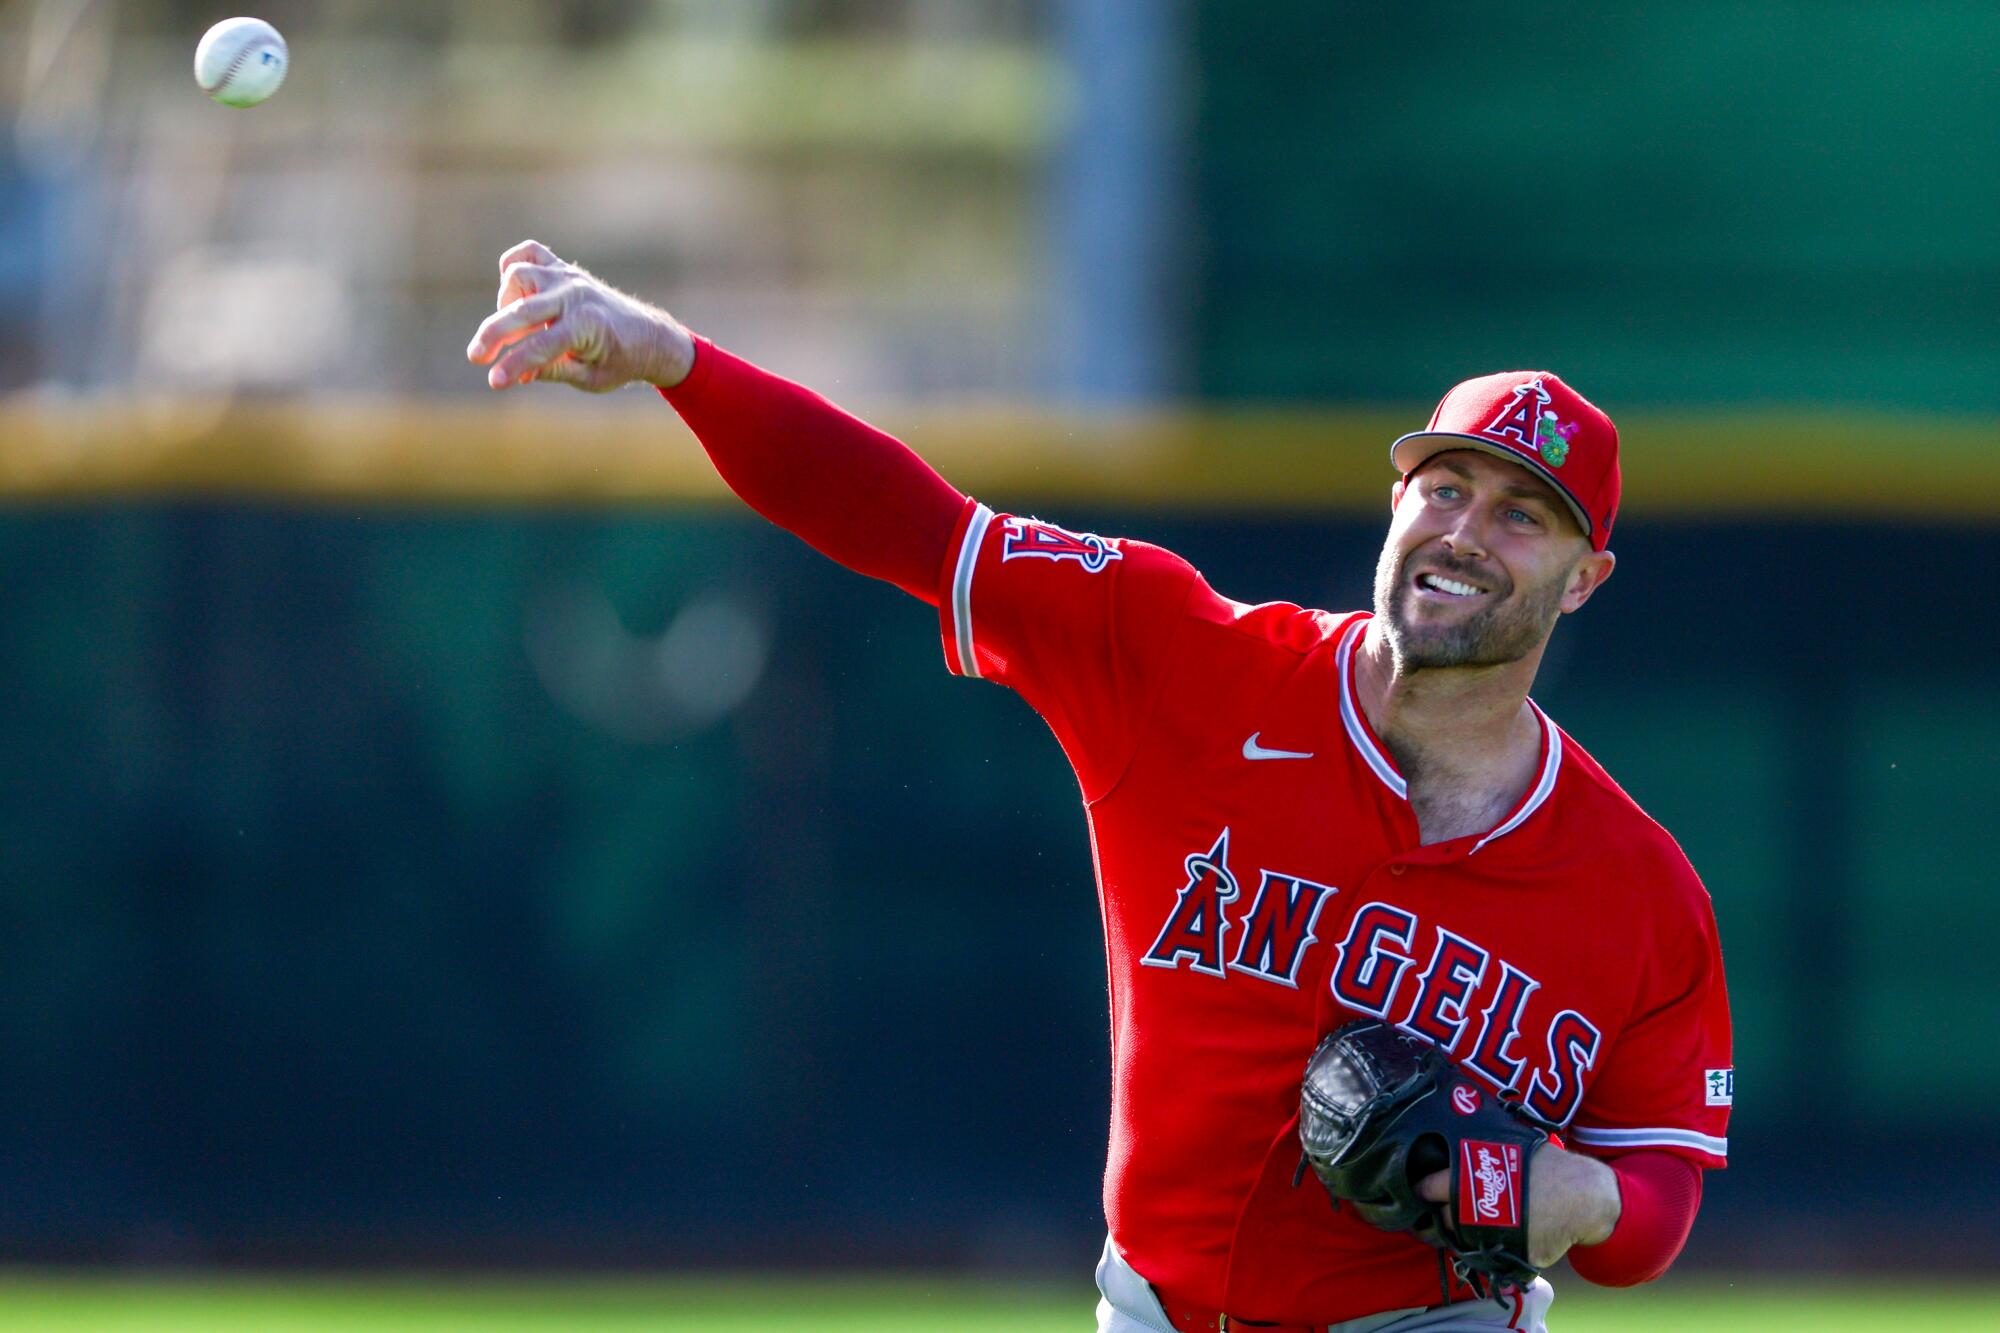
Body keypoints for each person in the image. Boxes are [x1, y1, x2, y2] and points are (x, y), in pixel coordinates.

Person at [467, 241, 1732, 1333]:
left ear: (1583, 578)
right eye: (1443, 487)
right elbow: (909, 522)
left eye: (1521, 514)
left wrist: (1551, 1193)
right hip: (1152, 1305)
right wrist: (671, 358)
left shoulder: (1638, 892)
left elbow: (1652, 1211)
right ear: (1395, 504)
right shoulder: (1178, 655)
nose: (1462, 529)